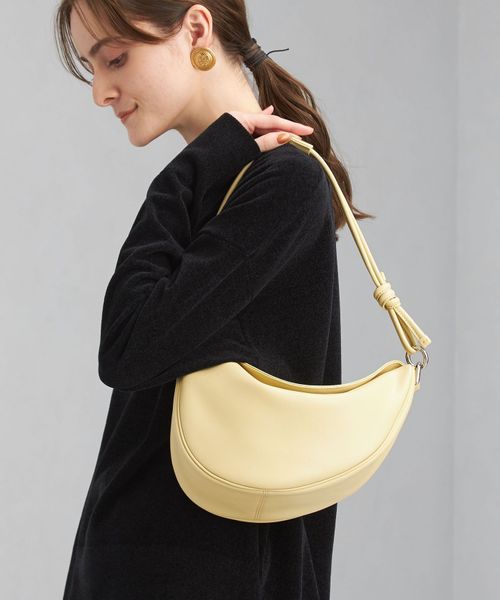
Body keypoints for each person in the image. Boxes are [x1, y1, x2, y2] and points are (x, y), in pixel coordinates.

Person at [54, 1, 373, 598]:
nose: (100, 93)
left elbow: (126, 344)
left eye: (115, 59)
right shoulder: (218, 182)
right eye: (92, 69)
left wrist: (190, 169)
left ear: (196, 29)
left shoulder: (282, 184)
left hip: (210, 572)